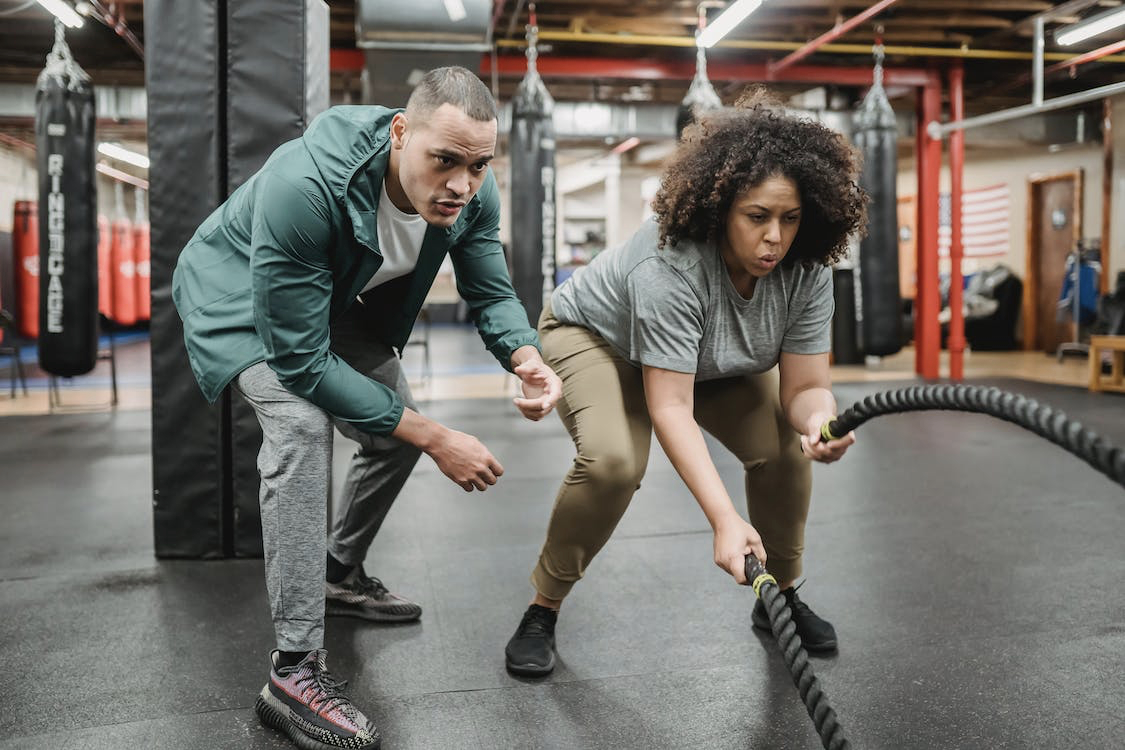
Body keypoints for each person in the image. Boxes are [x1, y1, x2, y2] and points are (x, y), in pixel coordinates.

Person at [172, 66, 561, 749]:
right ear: (399, 133)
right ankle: (292, 671)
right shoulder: (305, 182)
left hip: (327, 294)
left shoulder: (471, 186)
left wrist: (524, 356)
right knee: (299, 425)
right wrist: (438, 436)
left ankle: (337, 571)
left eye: (476, 165)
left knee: (394, 428)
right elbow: (298, 361)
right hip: (235, 291)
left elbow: (490, 288)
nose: (460, 185)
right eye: (444, 161)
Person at [504, 93, 865, 677]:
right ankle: (542, 608)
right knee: (614, 463)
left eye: (790, 218)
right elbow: (670, 406)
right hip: (598, 339)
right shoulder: (670, 264)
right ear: (722, 209)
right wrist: (724, 520)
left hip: (705, 360)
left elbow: (804, 388)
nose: (775, 237)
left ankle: (780, 598)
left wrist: (818, 422)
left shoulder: (808, 269)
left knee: (782, 446)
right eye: (757, 217)